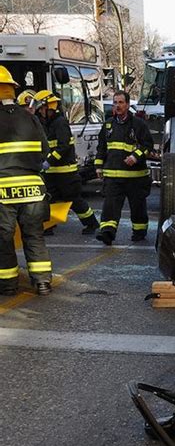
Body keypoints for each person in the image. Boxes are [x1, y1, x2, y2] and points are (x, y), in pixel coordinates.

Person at [0, 66, 52, 296]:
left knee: (3, 238)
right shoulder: (30, 118)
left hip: (3, 189)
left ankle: (8, 284)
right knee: (34, 235)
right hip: (33, 188)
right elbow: (45, 151)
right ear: (12, 90)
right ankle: (42, 282)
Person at [31, 90, 99, 235]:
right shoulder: (47, 124)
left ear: (50, 107)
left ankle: (92, 223)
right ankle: (48, 226)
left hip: (65, 172)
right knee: (50, 199)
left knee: (74, 199)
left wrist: (49, 160)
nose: (40, 111)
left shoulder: (60, 123)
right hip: (51, 172)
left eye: (42, 108)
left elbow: (63, 146)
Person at [94, 90, 154, 245]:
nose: (117, 106)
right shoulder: (108, 125)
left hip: (135, 177)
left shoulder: (138, 125)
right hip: (113, 176)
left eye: (120, 102)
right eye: (115, 102)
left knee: (138, 207)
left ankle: (139, 232)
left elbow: (148, 145)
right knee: (110, 206)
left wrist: (135, 157)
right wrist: (99, 167)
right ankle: (107, 232)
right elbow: (101, 147)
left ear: (127, 105)